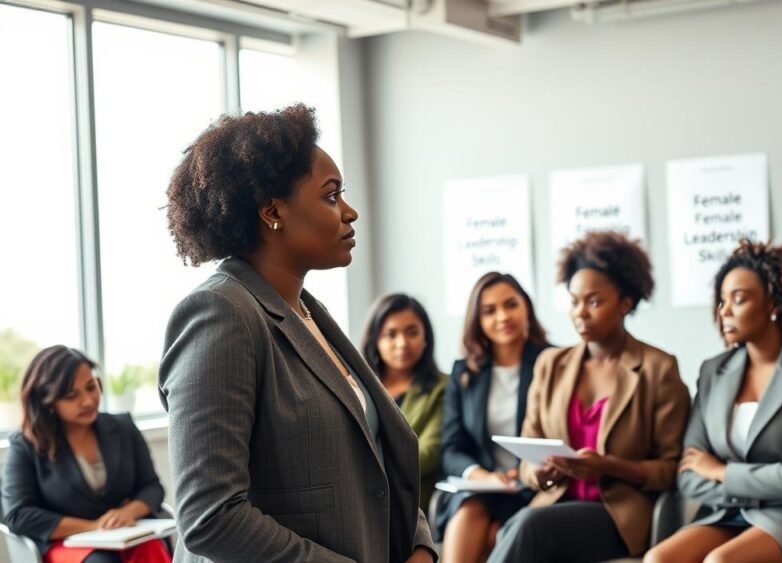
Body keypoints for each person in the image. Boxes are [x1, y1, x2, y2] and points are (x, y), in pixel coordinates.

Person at [160, 104, 434, 563]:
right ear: (273, 212)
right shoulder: (220, 314)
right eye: (331, 196)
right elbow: (211, 518)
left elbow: (375, 461)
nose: (350, 212)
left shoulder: (309, 313)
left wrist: (418, 546)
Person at [489, 231, 691, 562]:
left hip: (619, 515)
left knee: (529, 527)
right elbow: (527, 456)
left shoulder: (658, 369)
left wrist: (609, 466)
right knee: (518, 526)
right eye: (574, 301)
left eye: (594, 301)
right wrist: (539, 473)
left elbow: (672, 469)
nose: (581, 312)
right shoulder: (551, 364)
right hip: (555, 503)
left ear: (626, 303)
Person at [646, 239, 782, 563]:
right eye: (722, 300)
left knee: (721, 561)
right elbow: (689, 475)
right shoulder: (714, 370)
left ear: (774, 306)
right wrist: (746, 488)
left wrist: (722, 472)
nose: (724, 311)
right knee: (658, 559)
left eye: (738, 299)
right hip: (727, 512)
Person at [2, 346, 170, 563]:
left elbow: (152, 487)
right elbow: (19, 515)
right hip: (66, 542)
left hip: (125, 535)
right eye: (72, 396)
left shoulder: (123, 427)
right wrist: (94, 526)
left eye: (91, 387)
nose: (88, 401)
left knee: (152, 549)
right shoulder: (25, 446)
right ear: (47, 401)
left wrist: (128, 513)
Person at [439, 272, 549, 563]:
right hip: (483, 487)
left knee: (494, 537)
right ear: (478, 321)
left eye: (511, 304)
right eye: (489, 311)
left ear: (526, 307)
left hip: (533, 488)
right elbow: (451, 448)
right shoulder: (464, 373)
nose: (503, 316)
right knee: (468, 512)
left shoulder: (554, 363)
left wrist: (523, 471)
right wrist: (484, 476)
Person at [361, 293, 447, 511]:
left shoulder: (442, 387)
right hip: (358, 495)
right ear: (375, 340)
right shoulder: (357, 386)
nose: (402, 343)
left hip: (410, 501)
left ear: (426, 337)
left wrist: (368, 468)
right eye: (391, 334)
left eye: (412, 332)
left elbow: (429, 453)